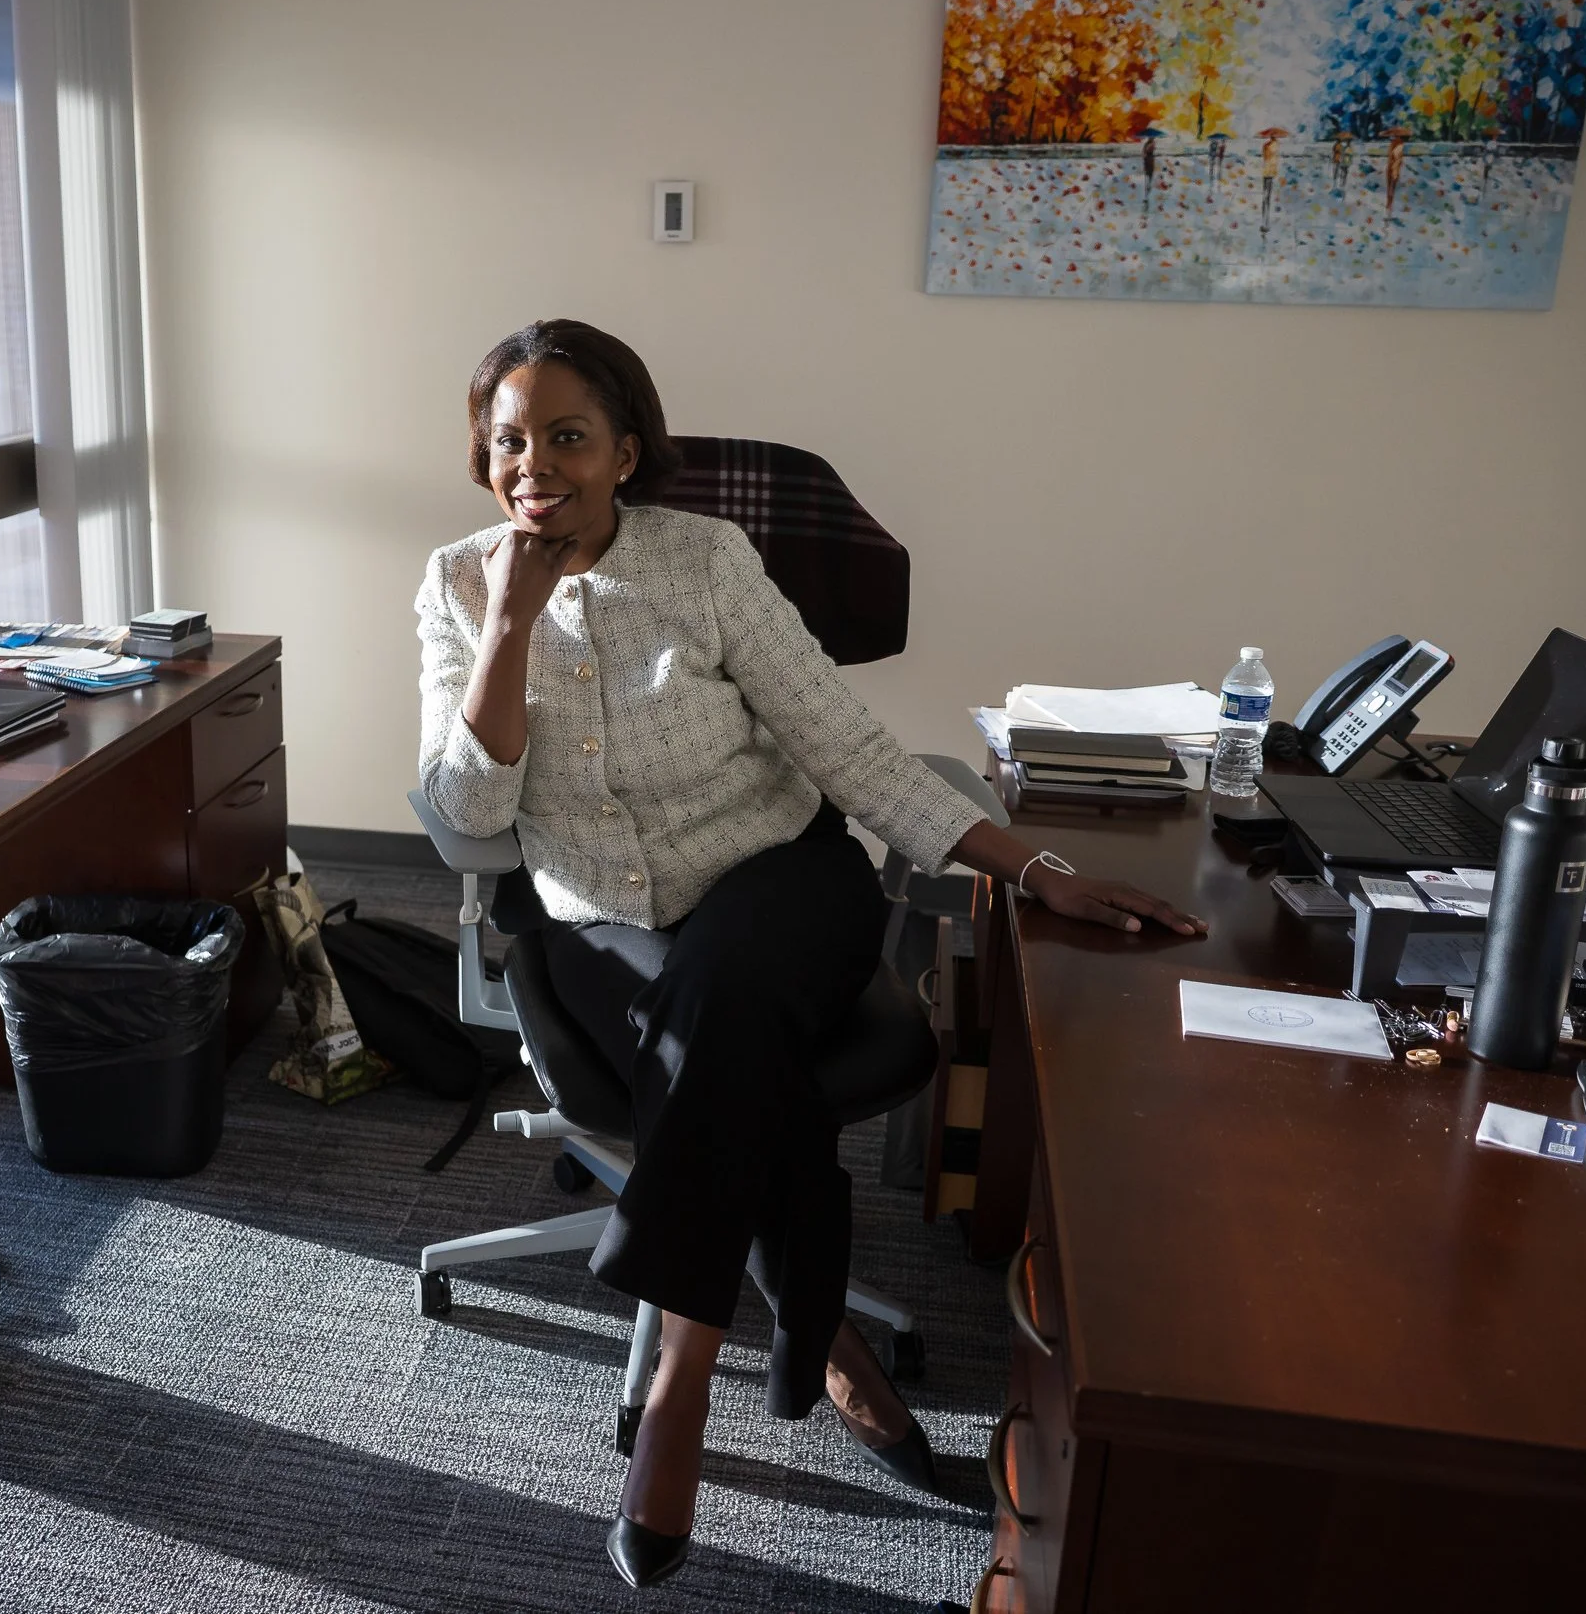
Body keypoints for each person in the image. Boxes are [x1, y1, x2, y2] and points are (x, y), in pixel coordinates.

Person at [415, 320, 1206, 1589]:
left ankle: (676, 1387)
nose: (535, 464)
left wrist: (1038, 869)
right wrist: (508, 625)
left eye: (567, 435)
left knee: (714, 999)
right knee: (712, 1029)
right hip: (598, 913)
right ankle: (820, 1329)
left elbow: (847, 748)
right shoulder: (456, 583)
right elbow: (467, 819)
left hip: (781, 881)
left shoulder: (708, 558)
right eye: (509, 439)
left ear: (626, 450)